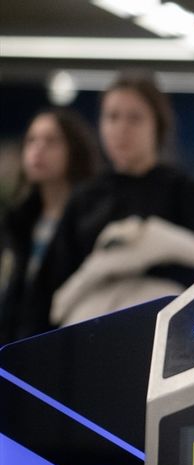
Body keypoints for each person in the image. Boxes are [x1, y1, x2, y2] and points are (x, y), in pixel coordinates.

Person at [36, 74, 194, 332]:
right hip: (89, 333)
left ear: (157, 125)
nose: (122, 128)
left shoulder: (187, 193)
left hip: (163, 333)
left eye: (135, 118)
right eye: (112, 117)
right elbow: (53, 284)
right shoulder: (85, 197)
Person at [0, 109, 100, 343]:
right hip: (13, 348)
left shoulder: (91, 221)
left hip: (65, 343)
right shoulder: (18, 221)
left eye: (51, 141)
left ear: (73, 151)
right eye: (31, 140)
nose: (38, 149)